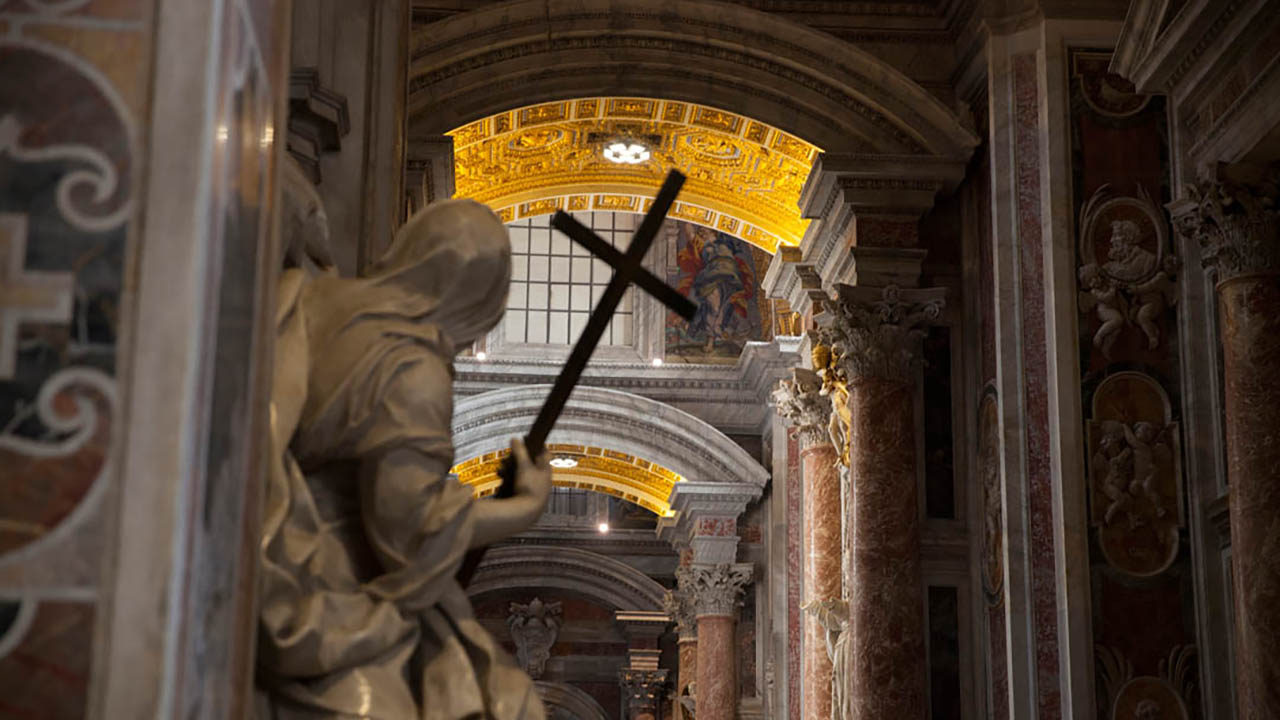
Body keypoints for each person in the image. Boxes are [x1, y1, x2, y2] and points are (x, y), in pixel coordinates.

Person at [256, 195, 552, 720]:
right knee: (500, 703)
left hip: (255, 531)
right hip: (322, 590)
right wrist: (523, 509)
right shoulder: (411, 369)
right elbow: (411, 537)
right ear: (478, 300)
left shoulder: (299, 294)